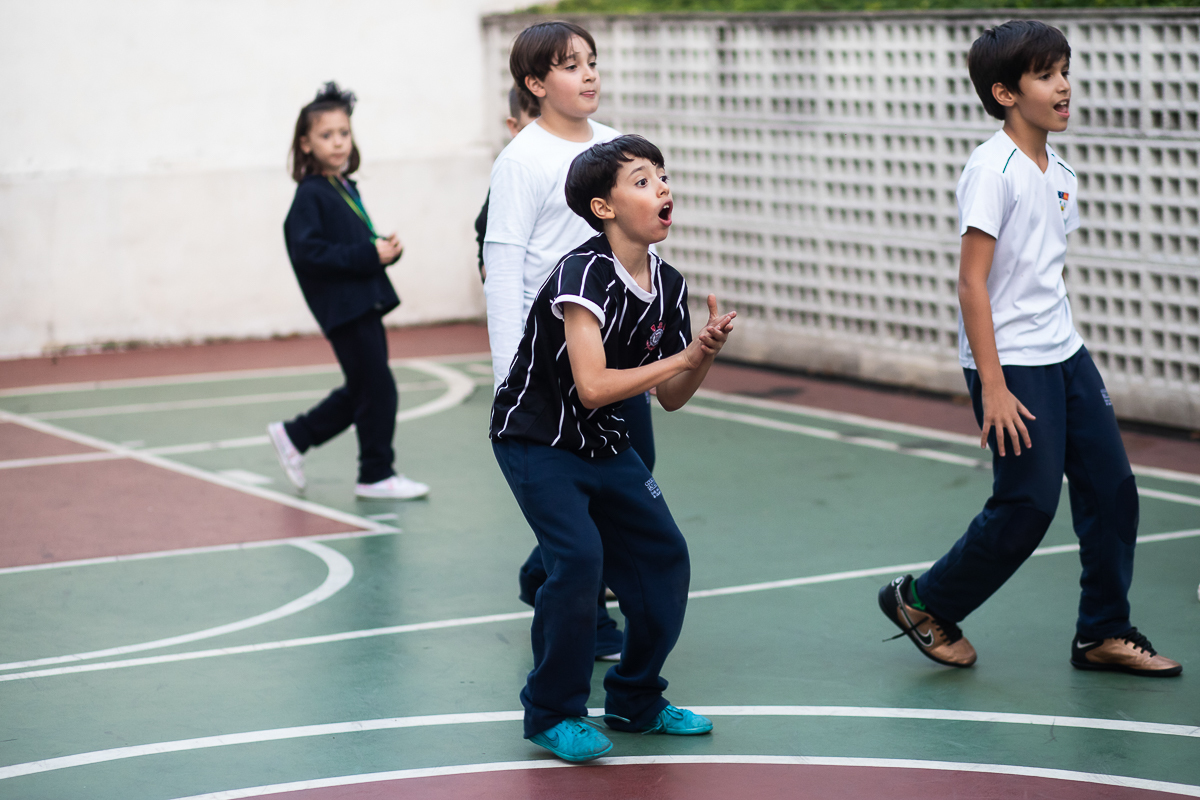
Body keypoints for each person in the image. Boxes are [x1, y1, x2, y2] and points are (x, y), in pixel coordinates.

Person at [878, 21, 1180, 677]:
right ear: (1004, 92)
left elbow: (1043, 272)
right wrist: (994, 384)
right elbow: (971, 283)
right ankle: (923, 601)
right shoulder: (993, 170)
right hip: (1010, 361)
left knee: (1113, 488)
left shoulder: (1062, 172)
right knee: (1028, 504)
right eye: (1046, 75)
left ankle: (1103, 629)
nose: (1064, 85)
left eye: (1065, 69)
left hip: (1064, 351)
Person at [491, 134, 736, 762]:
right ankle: (551, 712)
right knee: (577, 562)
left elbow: (674, 397)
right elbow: (594, 386)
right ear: (604, 207)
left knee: (664, 556)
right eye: (643, 180)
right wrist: (680, 358)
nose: (663, 188)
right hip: (537, 439)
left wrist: (699, 356)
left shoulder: (670, 285)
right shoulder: (583, 272)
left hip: (604, 443)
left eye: (662, 177)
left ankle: (634, 698)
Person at [482, 21, 656, 660]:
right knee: (577, 497)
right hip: (552, 365)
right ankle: (586, 612)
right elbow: (502, 271)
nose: (588, 75)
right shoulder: (521, 160)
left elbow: (637, 247)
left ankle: (542, 574)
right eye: (569, 66)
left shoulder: (615, 149)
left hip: (614, 355)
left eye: (591, 61)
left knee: (633, 475)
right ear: (535, 84)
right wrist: (509, 374)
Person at [266, 82, 430, 501]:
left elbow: (351, 244)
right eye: (326, 135)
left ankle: (295, 435)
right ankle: (375, 474)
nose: (338, 142)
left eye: (343, 133)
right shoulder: (310, 195)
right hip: (344, 308)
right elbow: (309, 253)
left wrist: (383, 251)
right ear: (305, 144)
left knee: (366, 386)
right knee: (377, 389)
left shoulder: (342, 186)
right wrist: (365, 254)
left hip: (361, 302)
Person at [474, 86, 540, 282]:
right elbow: (485, 230)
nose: (548, 131)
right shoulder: (512, 170)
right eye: (537, 119)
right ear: (514, 127)